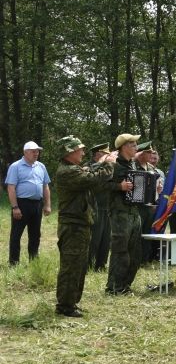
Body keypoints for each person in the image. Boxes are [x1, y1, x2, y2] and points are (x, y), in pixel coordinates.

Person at [54, 136, 116, 317]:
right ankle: (65, 306)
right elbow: (94, 179)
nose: (82, 152)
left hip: (80, 224)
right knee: (71, 267)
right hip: (73, 227)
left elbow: (90, 173)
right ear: (69, 152)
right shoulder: (67, 172)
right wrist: (109, 164)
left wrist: (102, 162)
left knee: (79, 266)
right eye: (79, 149)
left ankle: (71, 302)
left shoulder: (74, 169)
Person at [105, 133, 142, 295]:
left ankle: (125, 284)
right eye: (133, 145)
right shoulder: (113, 165)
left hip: (135, 212)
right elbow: (100, 184)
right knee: (121, 252)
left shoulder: (133, 164)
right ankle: (114, 287)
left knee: (134, 252)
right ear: (124, 147)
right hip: (120, 213)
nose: (136, 148)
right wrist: (119, 187)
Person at [5, 141, 52, 265]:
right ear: (25, 152)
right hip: (22, 204)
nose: (36, 153)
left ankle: (33, 261)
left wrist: (47, 205)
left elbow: (45, 186)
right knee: (16, 235)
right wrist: (15, 207)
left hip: (37, 204)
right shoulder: (16, 166)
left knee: (35, 234)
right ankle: (14, 263)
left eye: (37, 151)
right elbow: (11, 188)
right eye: (33, 151)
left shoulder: (41, 166)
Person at [87, 143, 112, 271]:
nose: (109, 156)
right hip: (94, 206)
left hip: (108, 207)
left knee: (106, 239)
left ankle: (101, 265)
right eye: (105, 154)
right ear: (98, 154)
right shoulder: (89, 167)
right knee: (94, 238)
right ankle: (89, 265)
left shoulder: (109, 167)